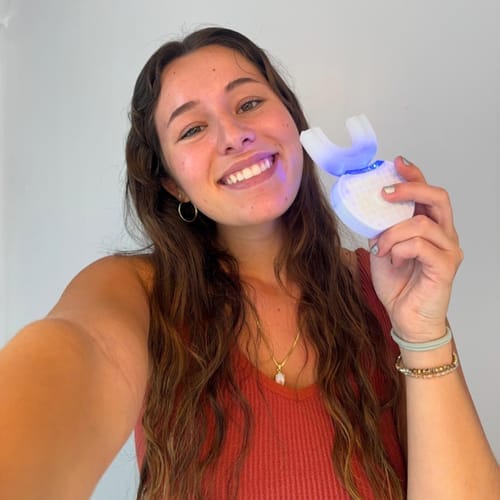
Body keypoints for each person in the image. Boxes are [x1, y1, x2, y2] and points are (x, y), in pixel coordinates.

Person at [0, 26, 498, 500]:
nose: (234, 135)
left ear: (293, 125)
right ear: (172, 183)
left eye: (249, 103)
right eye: (193, 128)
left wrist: (422, 329)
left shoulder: (384, 286)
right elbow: (85, 351)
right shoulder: (136, 292)